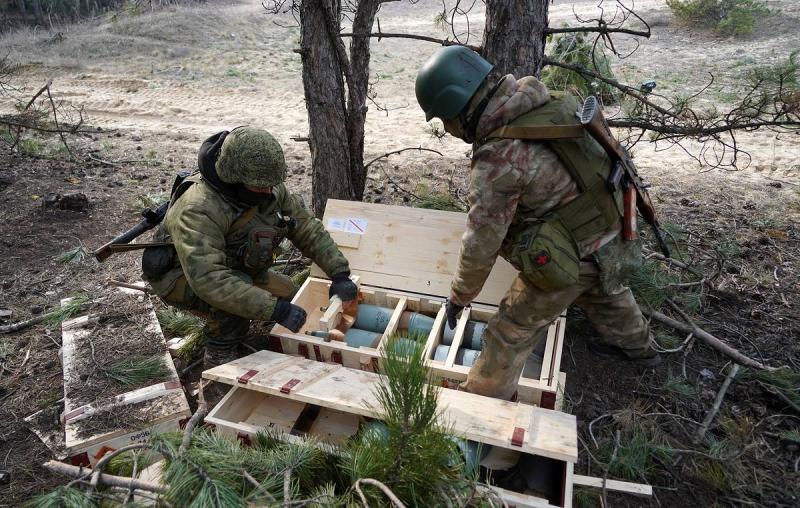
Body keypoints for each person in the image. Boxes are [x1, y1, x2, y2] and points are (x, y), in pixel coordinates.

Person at [414, 46, 660, 401]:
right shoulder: (547, 101)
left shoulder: (498, 159)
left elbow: (481, 243)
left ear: (456, 106)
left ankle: (480, 401)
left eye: (443, 118)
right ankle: (641, 350)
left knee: (509, 329)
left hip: (578, 251)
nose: (447, 127)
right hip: (617, 223)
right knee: (606, 291)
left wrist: (459, 297)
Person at [142, 127, 357, 399]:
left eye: (271, 184)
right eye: (260, 186)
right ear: (235, 180)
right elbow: (209, 280)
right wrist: (272, 309)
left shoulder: (265, 187)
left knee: (292, 295)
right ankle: (218, 361)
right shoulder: (199, 207)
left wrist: (339, 272)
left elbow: (305, 227)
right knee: (235, 309)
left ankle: (248, 331)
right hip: (180, 276)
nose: (268, 191)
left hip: (233, 267)